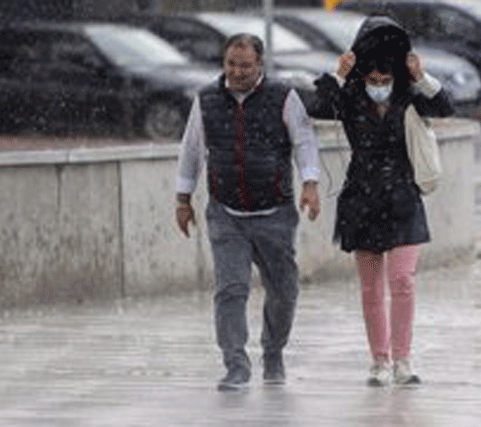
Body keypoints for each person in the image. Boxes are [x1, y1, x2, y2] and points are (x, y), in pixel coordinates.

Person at [310, 16, 453, 387]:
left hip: (404, 197)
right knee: (371, 288)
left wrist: (421, 76)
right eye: (372, 81)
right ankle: (379, 361)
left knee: (403, 280)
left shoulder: (410, 97)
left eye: (384, 81)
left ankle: (403, 359)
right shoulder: (351, 99)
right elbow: (318, 106)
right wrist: (338, 75)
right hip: (362, 200)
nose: (378, 87)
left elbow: (445, 107)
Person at [175, 33, 321, 392]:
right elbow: (191, 148)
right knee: (231, 289)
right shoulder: (207, 99)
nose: (236, 72)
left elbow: (304, 142)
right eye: (230, 64)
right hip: (226, 212)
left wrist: (310, 183)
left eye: (245, 65)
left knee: (284, 291)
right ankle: (235, 365)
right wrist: (183, 197)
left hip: (275, 211)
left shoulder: (284, 96)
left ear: (261, 65)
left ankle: (273, 352)